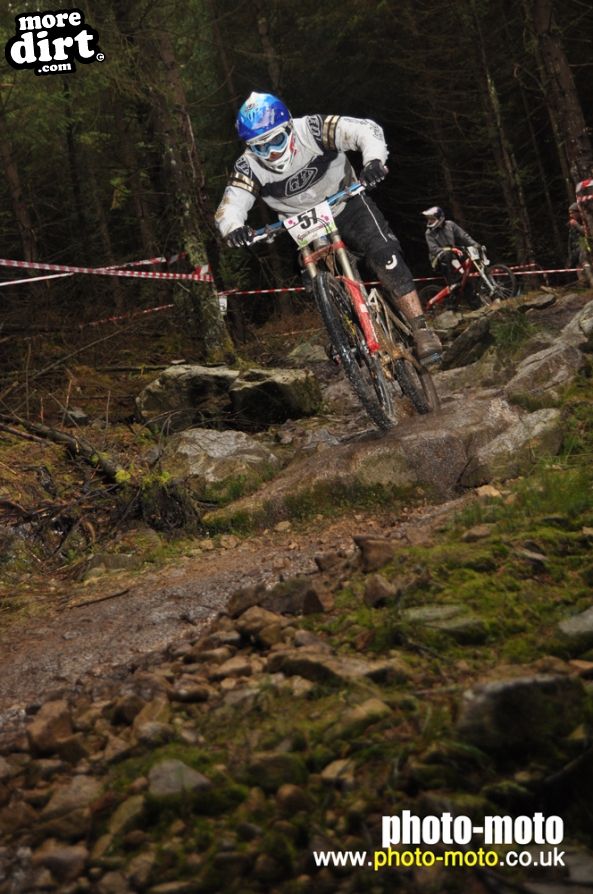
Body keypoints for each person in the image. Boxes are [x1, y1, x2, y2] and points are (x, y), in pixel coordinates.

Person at [215, 92, 442, 365]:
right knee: (316, 281)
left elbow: (364, 130)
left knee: (385, 255)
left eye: (276, 140)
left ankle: (420, 329)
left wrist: (373, 161)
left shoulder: (312, 129)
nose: (272, 152)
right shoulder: (248, 165)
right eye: (261, 147)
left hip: (346, 201)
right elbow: (231, 203)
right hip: (303, 223)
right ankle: (344, 333)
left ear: (288, 128)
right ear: (251, 147)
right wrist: (233, 228)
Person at [421, 206, 483, 294]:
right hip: (437, 259)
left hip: (453, 257)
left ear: (440, 218)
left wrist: (475, 244)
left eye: (432, 219)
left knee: (465, 279)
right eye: (429, 219)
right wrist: (451, 249)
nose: (430, 221)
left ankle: (474, 302)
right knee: (447, 255)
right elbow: (434, 249)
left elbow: (464, 236)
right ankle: (452, 283)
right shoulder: (429, 233)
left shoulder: (450, 225)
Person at [568, 202, 591, 285]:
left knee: (584, 262)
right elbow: (570, 240)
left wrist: (577, 225)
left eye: (573, 213)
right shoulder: (572, 224)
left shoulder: (586, 220)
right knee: (578, 267)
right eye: (570, 213)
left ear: (578, 212)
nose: (571, 215)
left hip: (584, 247)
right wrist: (570, 255)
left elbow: (587, 233)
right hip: (575, 250)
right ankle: (583, 284)